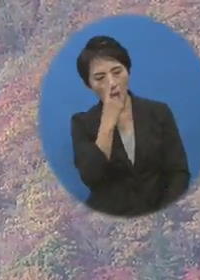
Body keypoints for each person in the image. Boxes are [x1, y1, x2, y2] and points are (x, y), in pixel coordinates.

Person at [70, 35, 190, 217]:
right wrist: (108, 121)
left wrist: (163, 216)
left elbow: (178, 173)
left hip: (160, 216)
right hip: (109, 224)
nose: (112, 83)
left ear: (128, 71)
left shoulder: (158, 112)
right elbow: (91, 177)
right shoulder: (82, 123)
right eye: (100, 77)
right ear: (89, 85)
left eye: (117, 72)